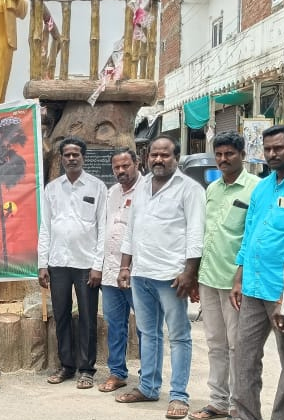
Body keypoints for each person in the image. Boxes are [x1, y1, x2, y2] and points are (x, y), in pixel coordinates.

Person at [115, 135, 205, 420]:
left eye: (164, 155)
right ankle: (148, 387)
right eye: (154, 154)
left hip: (172, 276)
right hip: (141, 274)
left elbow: (195, 232)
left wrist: (190, 272)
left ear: (175, 157)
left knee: (179, 336)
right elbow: (132, 229)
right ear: (146, 157)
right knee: (148, 334)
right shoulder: (141, 189)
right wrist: (125, 266)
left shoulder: (189, 189)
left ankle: (179, 395)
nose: (158, 160)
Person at [189, 131, 259, 420]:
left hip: (235, 283)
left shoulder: (257, 188)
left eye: (229, 153)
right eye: (218, 154)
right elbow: (205, 234)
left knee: (236, 347)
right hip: (208, 278)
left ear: (242, 155)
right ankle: (217, 401)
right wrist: (194, 276)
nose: (223, 159)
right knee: (215, 344)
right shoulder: (212, 189)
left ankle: (237, 404)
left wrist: (241, 279)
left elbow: (253, 237)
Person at [38, 136, 106, 390]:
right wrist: (42, 263)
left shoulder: (97, 187)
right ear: (61, 158)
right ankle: (66, 365)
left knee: (88, 316)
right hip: (58, 262)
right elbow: (45, 227)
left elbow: (103, 227)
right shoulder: (52, 189)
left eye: (76, 154)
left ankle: (87, 369)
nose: (71, 158)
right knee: (62, 315)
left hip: (86, 263)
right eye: (66, 154)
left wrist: (98, 265)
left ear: (83, 157)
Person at [229, 125, 284, 420]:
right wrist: (239, 275)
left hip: (280, 291)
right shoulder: (262, 188)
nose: (272, 154)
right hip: (253, 287)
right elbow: (249, 233)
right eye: (268, 149)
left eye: (279, 148)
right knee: (245, 359)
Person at [97, 148, 142, 393]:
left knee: (146, 326)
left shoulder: (147, 190)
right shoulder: (111, 192)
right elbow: (104, 230)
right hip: (110, 270)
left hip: (139, 272)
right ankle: (117, 373)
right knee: (115, 325)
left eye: (126, 166)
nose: (121, 171)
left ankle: (148, 375)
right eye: (117, 167)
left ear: (137, 163)